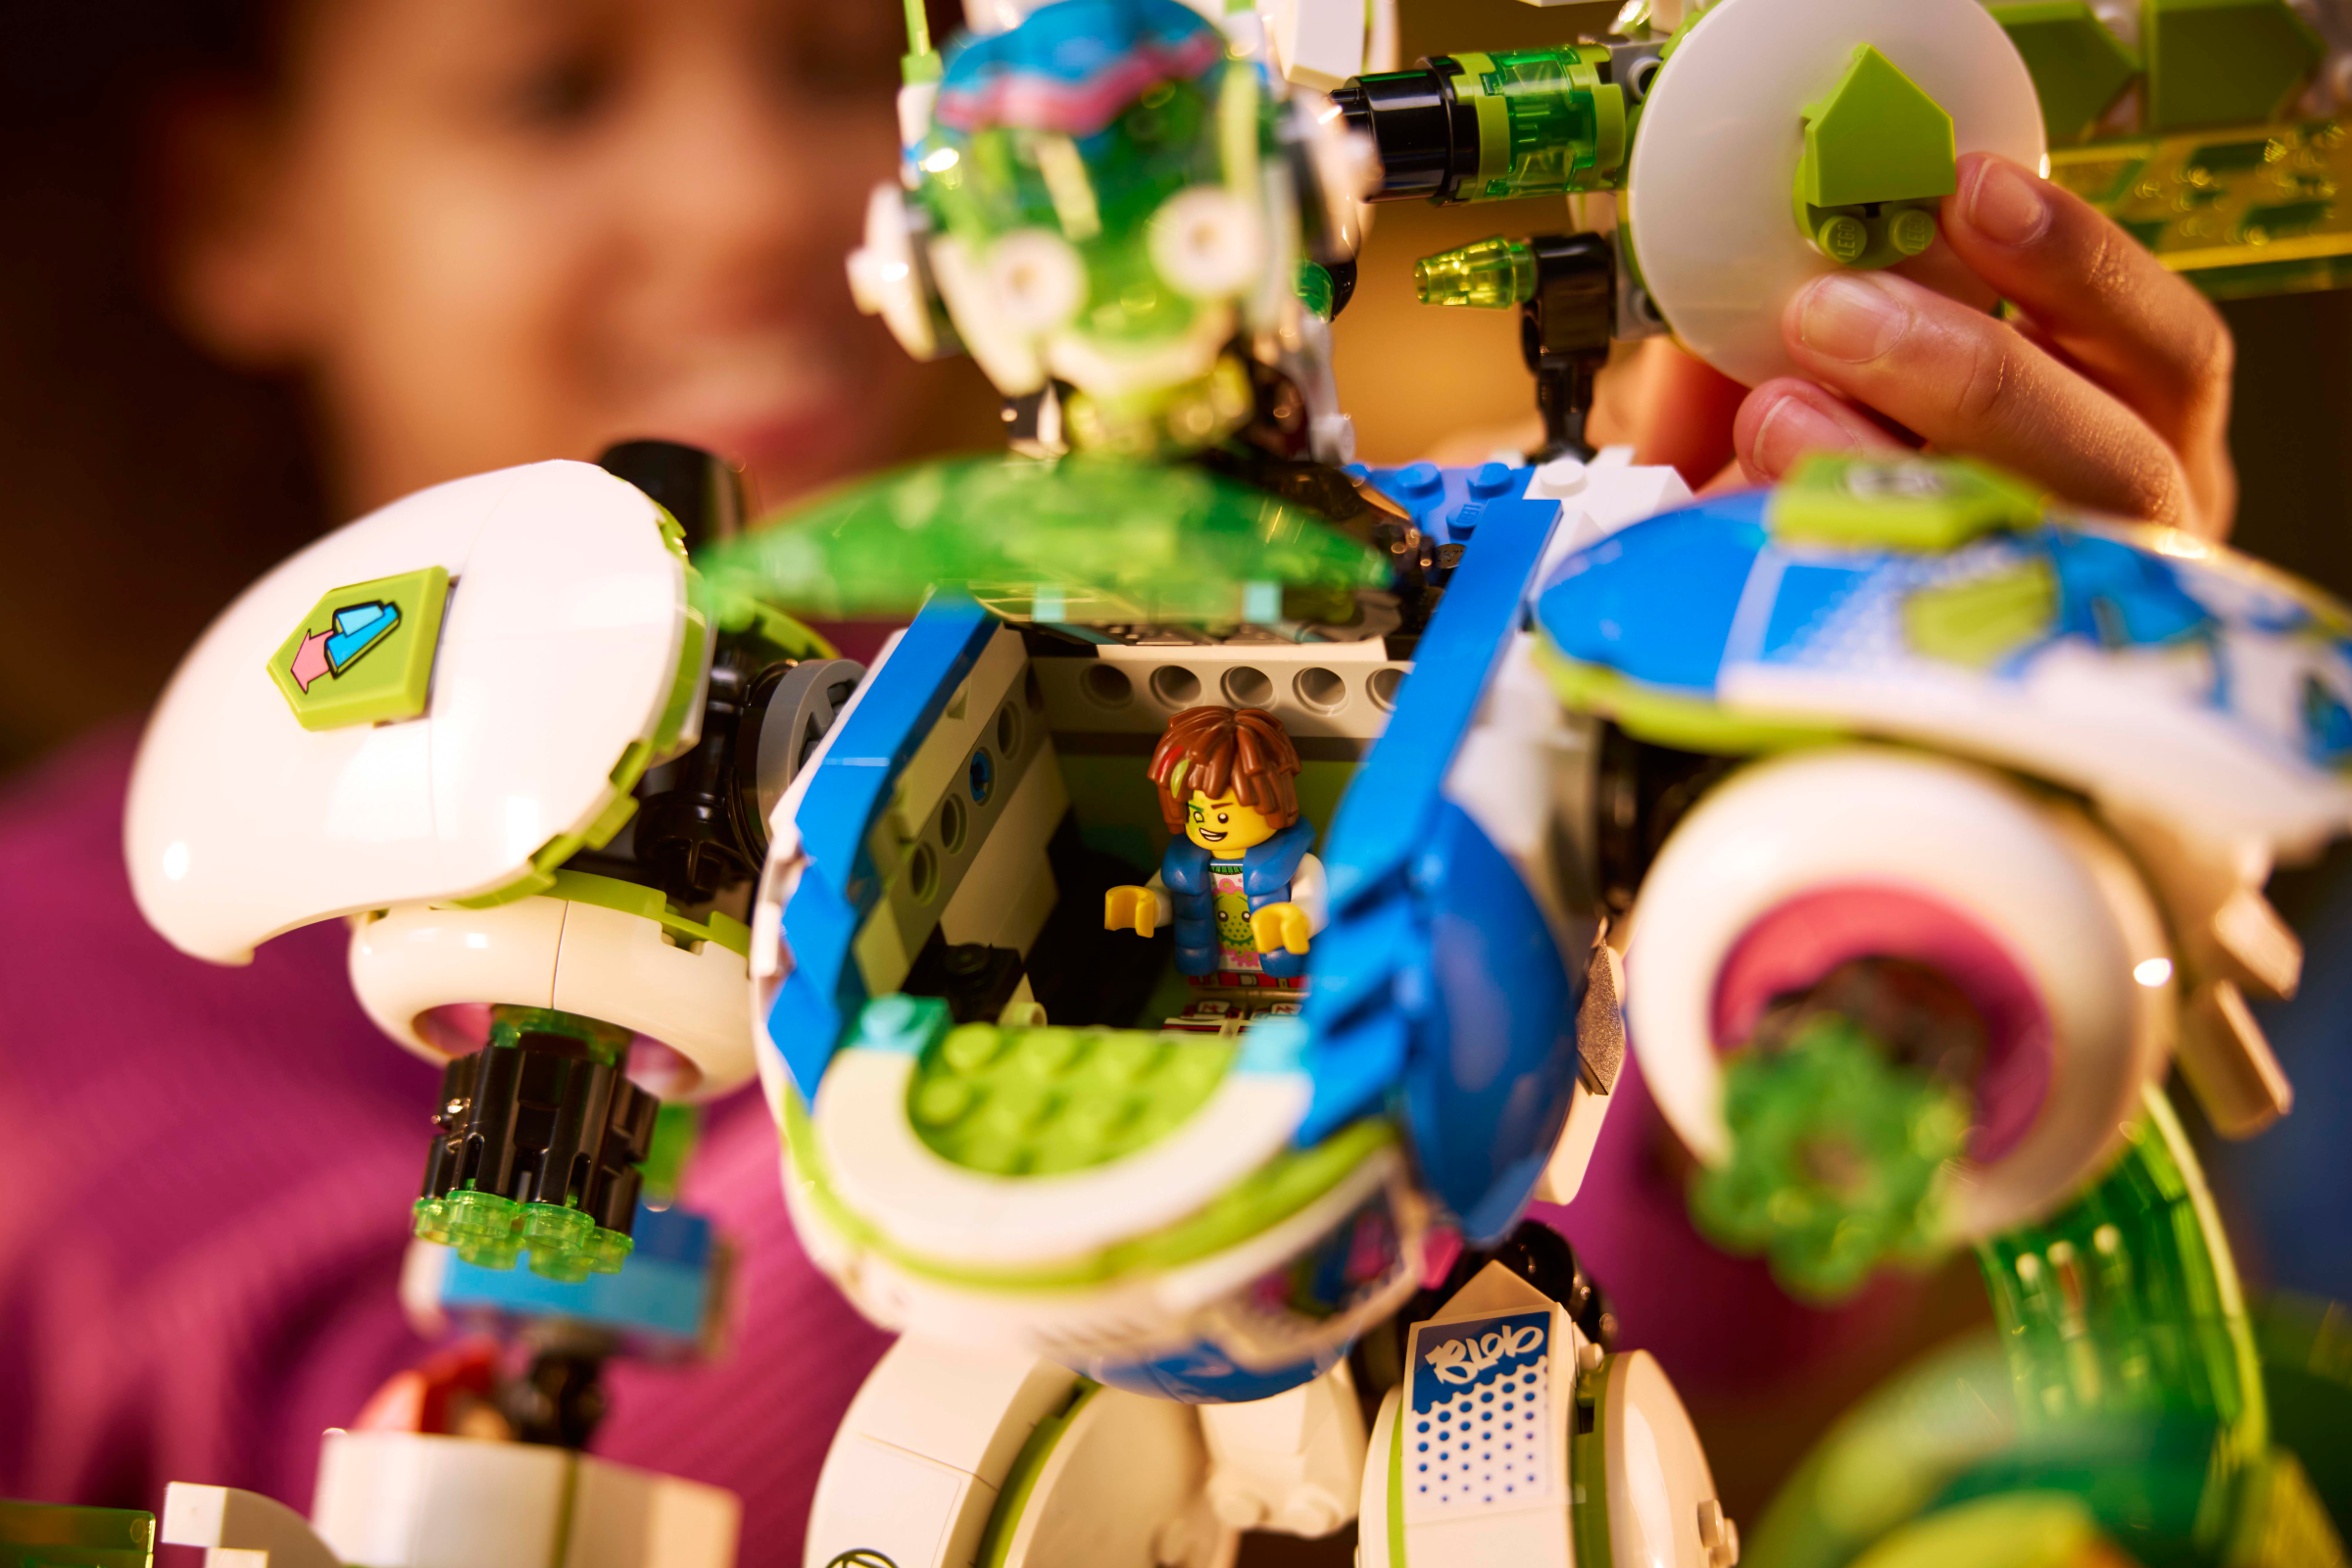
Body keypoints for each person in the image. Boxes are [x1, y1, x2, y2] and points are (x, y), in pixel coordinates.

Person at [0, 1, 2247, 1556]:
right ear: (235, 197)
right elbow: (386, 1418)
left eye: (826, 61)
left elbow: (1739, 1219)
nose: (748, 195)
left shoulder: (1335, 622)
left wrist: (1888, 740)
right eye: (551, 88)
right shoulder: (65, 984)